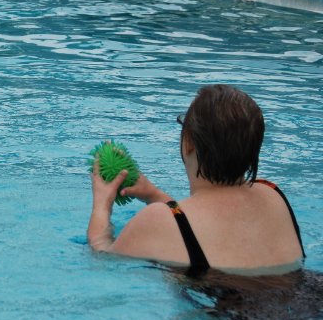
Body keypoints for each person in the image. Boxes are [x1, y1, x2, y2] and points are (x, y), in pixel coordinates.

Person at [88, 84, 305, 276]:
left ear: (189, 142)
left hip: (227, 315)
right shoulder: (273, 193)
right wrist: (154, 195)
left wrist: (101, 206)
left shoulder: (156, 219)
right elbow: (203, 227)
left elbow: (104, 255)